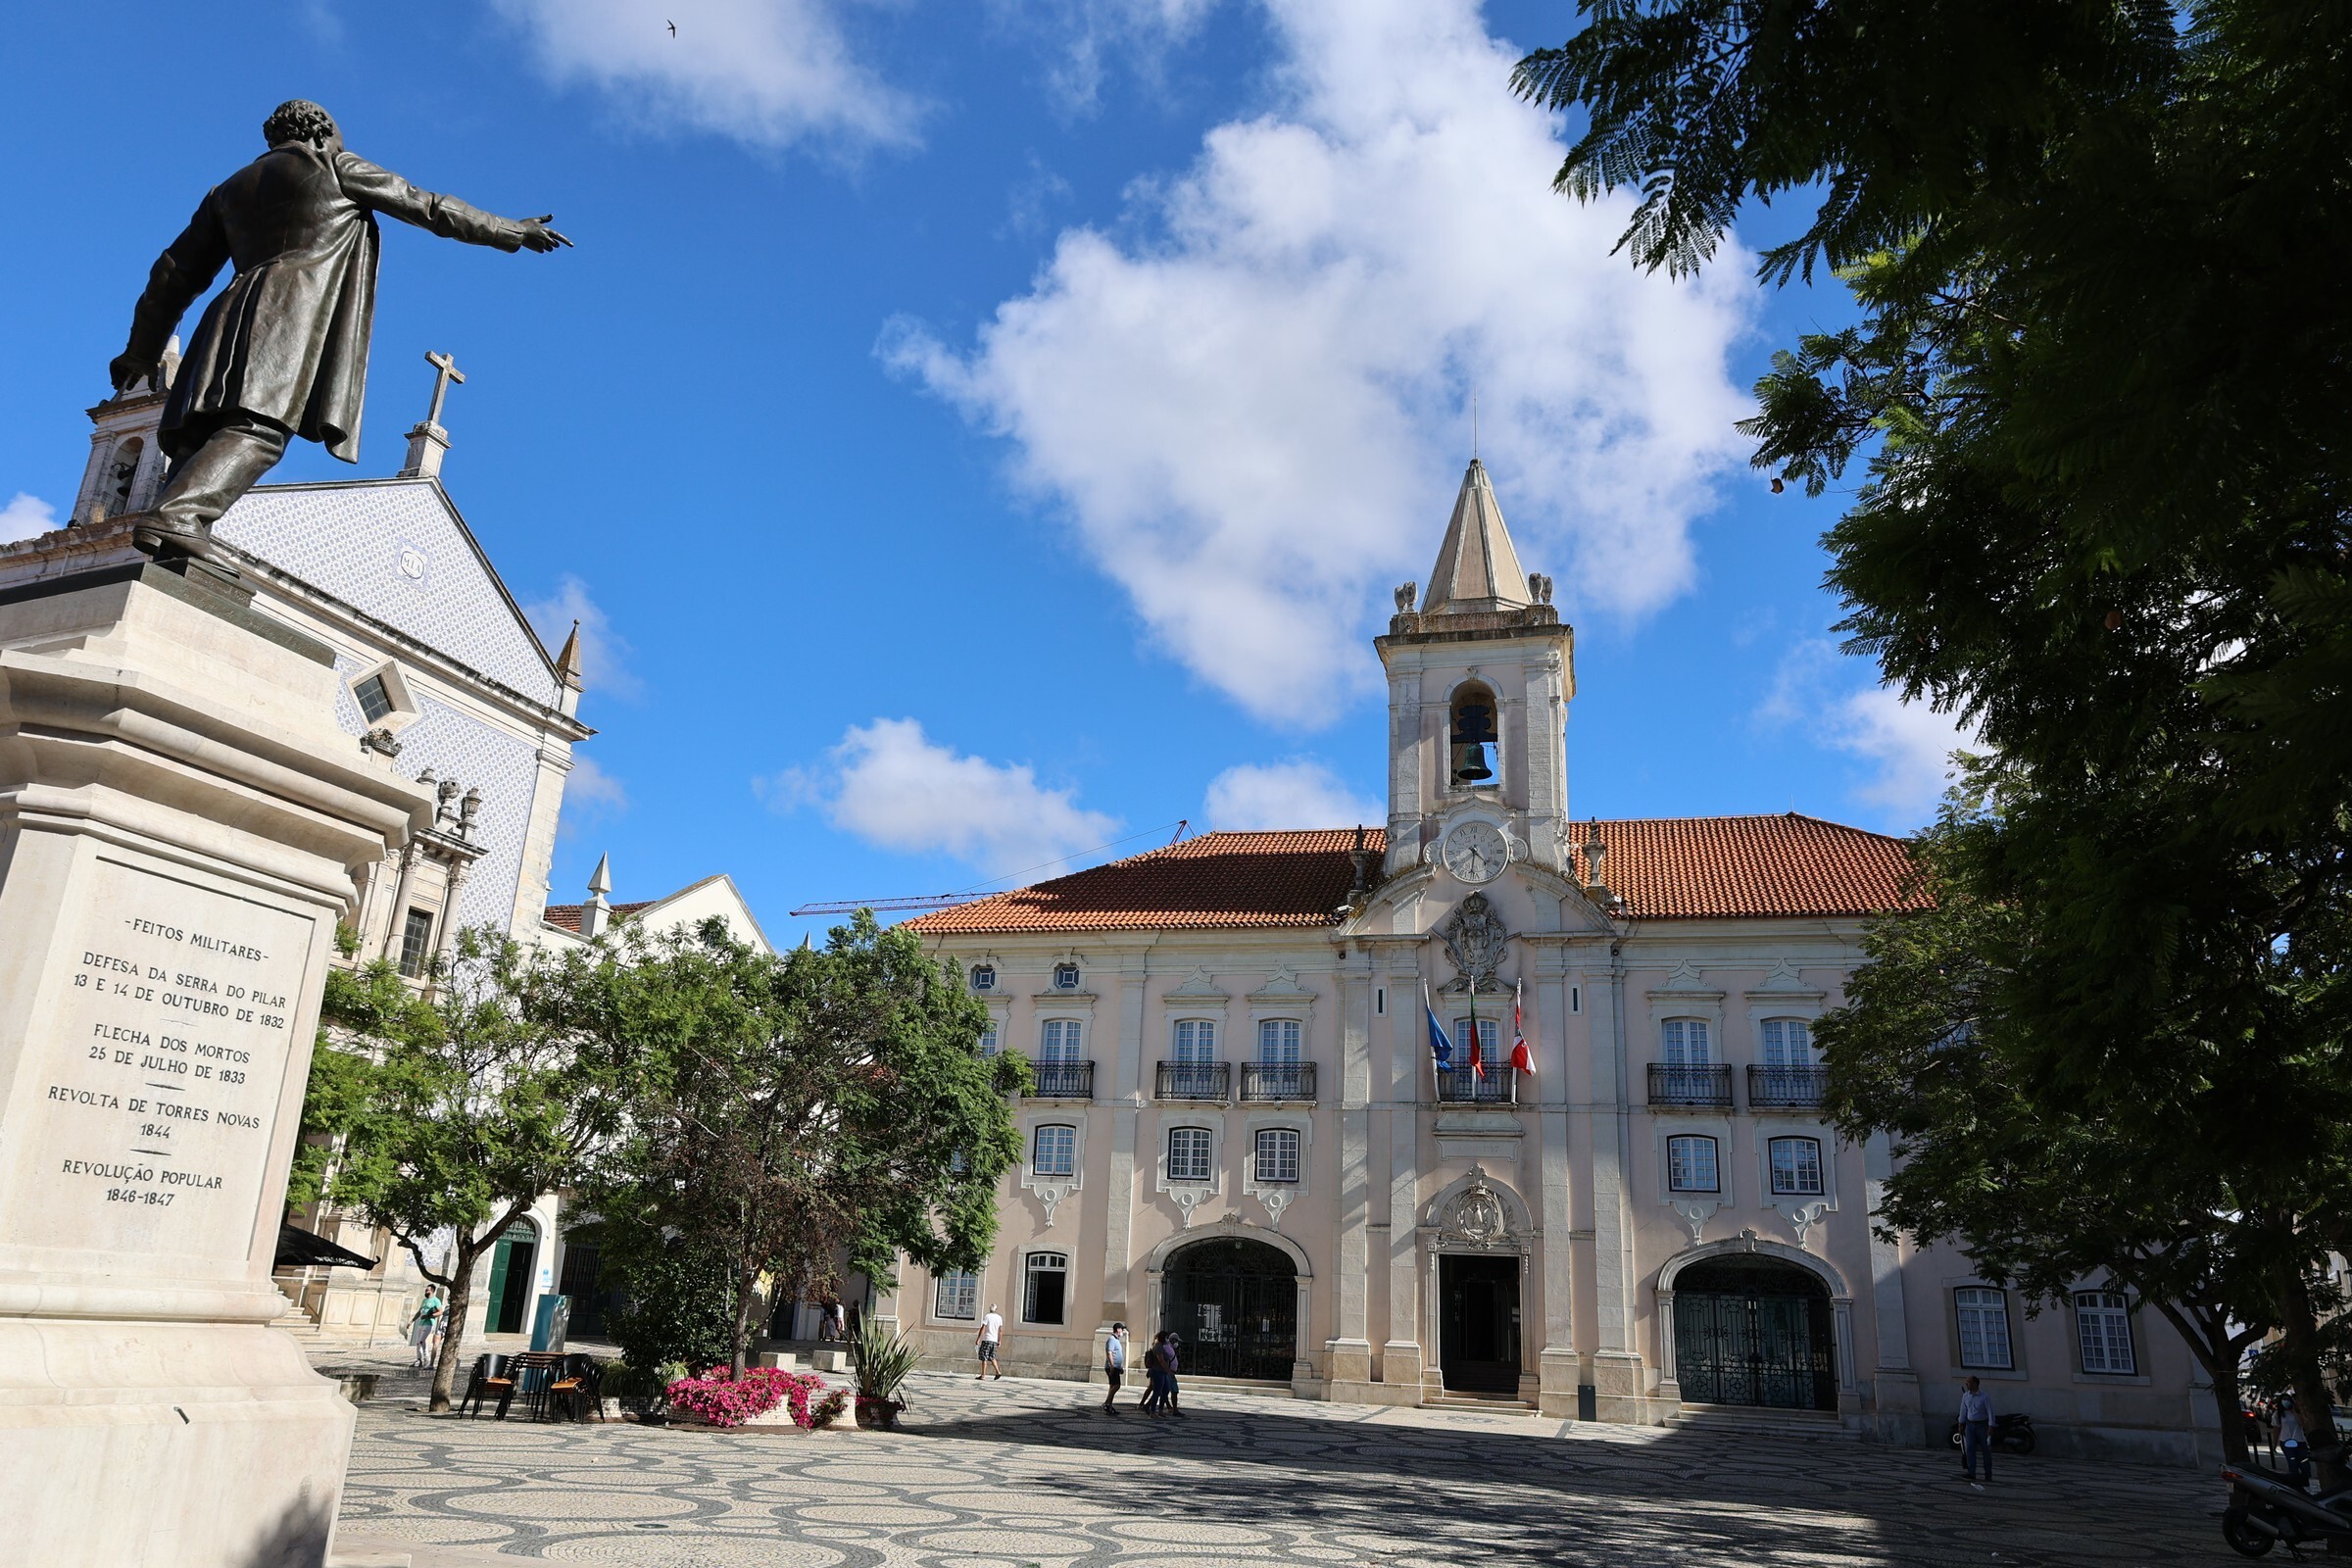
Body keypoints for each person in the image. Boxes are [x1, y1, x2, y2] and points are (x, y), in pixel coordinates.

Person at [107, 100, 569, 565]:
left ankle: (175, 539)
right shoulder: (332, 165)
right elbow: (428, 207)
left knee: (207, 431)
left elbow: (173, 273)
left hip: (228, 311)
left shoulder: (229, 190)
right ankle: (178, 517)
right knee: (260, 429)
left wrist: (141, 350)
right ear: (321, 133)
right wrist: (510, 229)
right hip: (289, 314)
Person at [1957, 1376, 1992, 1488]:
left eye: (1968, 1382)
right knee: (1970, 1449)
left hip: (1982, 1425)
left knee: (1985, 1450)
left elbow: (1990, 1411)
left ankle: (1988, 1473)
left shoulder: (1984, 1397)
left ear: (1975, 1384)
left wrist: (1991, 1426)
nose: (1966, 1384)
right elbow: (1963, 1410)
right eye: (1966, 1382)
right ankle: (1971, 1472)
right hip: (1970, 1425)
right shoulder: (1965, 1396)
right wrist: (1961, 1423)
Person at [407, 1288, 444, 1370]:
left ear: (432, 1291)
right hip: (421, 1323)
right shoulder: (424, 1301)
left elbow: (440, 1312)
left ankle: (427, 1359)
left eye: (428, 1290)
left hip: (429, 1323)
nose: (426, 1291)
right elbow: (419, 1312)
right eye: (426, 1290)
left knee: (421, 1341)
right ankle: (419, 1359)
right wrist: (411, 1321)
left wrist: (429, 1316)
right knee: (418, 1342)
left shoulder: (436, 1300)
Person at [2279, 1395, 2309, 1485]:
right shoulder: (2278, 1414)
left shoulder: (2296, 1413)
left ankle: (2305, 1482)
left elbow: (2302, 1424)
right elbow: (2276, 1429)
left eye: (2288, 1400)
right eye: (2284, 1400)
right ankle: (2294, 1483)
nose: (2286, 1402)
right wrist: (2274, 1444)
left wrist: (2295, 1411)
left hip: (2300, 1441)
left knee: (2305, 1465)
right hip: (2286, 1441)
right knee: (2293, 1464)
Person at [1139, 1332, 1171, 1416]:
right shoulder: (1158, 1347)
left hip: (1162, 1372)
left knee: (1166, 1390)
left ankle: (1160, 1410)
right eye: (1167, 1337)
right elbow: (1161, 1360)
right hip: (1158, 1372)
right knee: (1157, 1392)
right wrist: (1168, 1370)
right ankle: (1152, 1411)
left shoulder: (1162, 1347)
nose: (1168, 1339)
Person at [1102, 1322, 1128, 1414]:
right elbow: (1109, 1353)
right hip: (1112, 1367)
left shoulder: (1116, 1340)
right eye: (1122, 1329)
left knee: (1112, 1386)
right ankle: (1106, 1403)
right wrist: (1112, 1366)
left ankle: (1109, 1406)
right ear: (1118, 1330)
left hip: (1116, 1367)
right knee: (1117, 1385)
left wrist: (1120, 1367)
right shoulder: (1112, 1339)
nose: (1123, 1331)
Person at [975, 1303, 1004, 1380]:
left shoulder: (987, 1316)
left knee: (984, 1357)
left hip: (987, 1339)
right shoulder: (999, 1318)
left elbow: (983, 1328)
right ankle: (998, 1371)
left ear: (990, 1309)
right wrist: (999, 1341)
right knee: (992, 1357)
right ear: (996, 1309)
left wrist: (978, 1339)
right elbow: (1001, 1330)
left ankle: (983, 1375)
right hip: (994, 1340)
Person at [1162, 1331, 1185, 1418]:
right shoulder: (1167, 1347)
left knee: (1165, 1392)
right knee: (1173, 1391)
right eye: (1176, 1341)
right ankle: (1174, 1409)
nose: (1177, 1343)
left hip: (1171, 1372)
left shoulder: (1170, 1347)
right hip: (1169, 1373)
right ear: (1173, 1340)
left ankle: (1170, 1407)